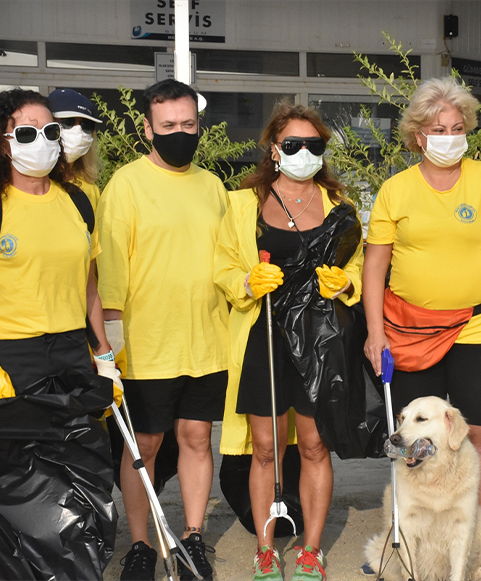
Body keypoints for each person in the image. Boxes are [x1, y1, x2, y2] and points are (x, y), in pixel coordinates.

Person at [363, 76, 481, 581]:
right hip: (410, 331)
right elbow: (375, 266)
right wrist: (376, 332)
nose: (450, 136)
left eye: (458, 127)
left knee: (479, 436)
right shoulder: (396, 189)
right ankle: (407, 544)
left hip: (480, 326)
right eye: (439, 128)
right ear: (418, 135)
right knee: (415, 442)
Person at [214, 100, 362, 581]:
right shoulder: (243, 204)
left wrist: (346, 285)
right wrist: (246, 282)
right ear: (274, 150)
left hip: (319, 339)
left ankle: (312, 549)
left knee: (315, 445)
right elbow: (222, 267)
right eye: (293, 144)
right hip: (266, 336)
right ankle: (264, 548)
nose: (303, 152)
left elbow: (358, 266)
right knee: (265, 448)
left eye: (313, 145)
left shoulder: (341, 208)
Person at [97, 79, 229, 581]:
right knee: (144, 447)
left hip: (206, 341)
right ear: (148, 128)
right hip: (147, 347)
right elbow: (110, 276)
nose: (180, 133)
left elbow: (224, 261)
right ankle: (141, 544)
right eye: (169, 125)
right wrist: (110, 348)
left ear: (199, 125)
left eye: (188, 125)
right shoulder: (125, 186)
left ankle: (193, 537)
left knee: (197, 439)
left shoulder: (213, 186)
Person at [0, 88, 120, 578]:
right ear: (5, 142)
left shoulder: (77, 201)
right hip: (13, 358)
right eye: (28, 133)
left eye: (51, 131)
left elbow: (88, 282)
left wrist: (105, 350)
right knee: (17, 482)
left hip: (71, 353)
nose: (44, 142)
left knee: (80, 470)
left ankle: (72, 569)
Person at [48, 88, 103, 210]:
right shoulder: (32, 186)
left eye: (86, 125)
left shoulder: (90, 189)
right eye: (68, 122)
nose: (77, 131)